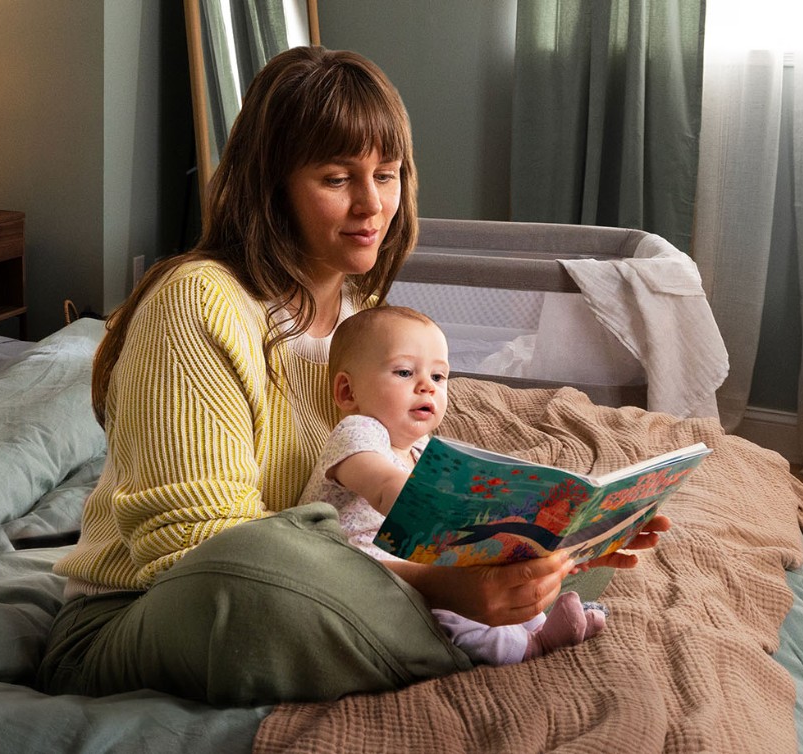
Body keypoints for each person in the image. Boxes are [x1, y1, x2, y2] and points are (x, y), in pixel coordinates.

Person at [36, 46, 668, 706]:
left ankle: (508, 615)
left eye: (387, 175)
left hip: (327, 581)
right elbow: (196, 557)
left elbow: (385, 496)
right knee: (262, 564)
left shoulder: (362, 322)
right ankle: (472, 647)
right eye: (337, 179)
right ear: (271, 185)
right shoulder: (199, 301)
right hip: (147, 610)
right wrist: (439, 588)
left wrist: (550, 541)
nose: (372, 204)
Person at [300, 306, 608, 665]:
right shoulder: (357, 432)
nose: (426, 386)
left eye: (439, 376)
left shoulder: (423, 449)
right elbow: (385, 488)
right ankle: (529, 647)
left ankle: (538, 623)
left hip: (414, 563)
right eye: (404, 372)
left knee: (501, 569)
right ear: (348, 392)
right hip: (362, 575)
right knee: (452, 613)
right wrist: (466, 520)